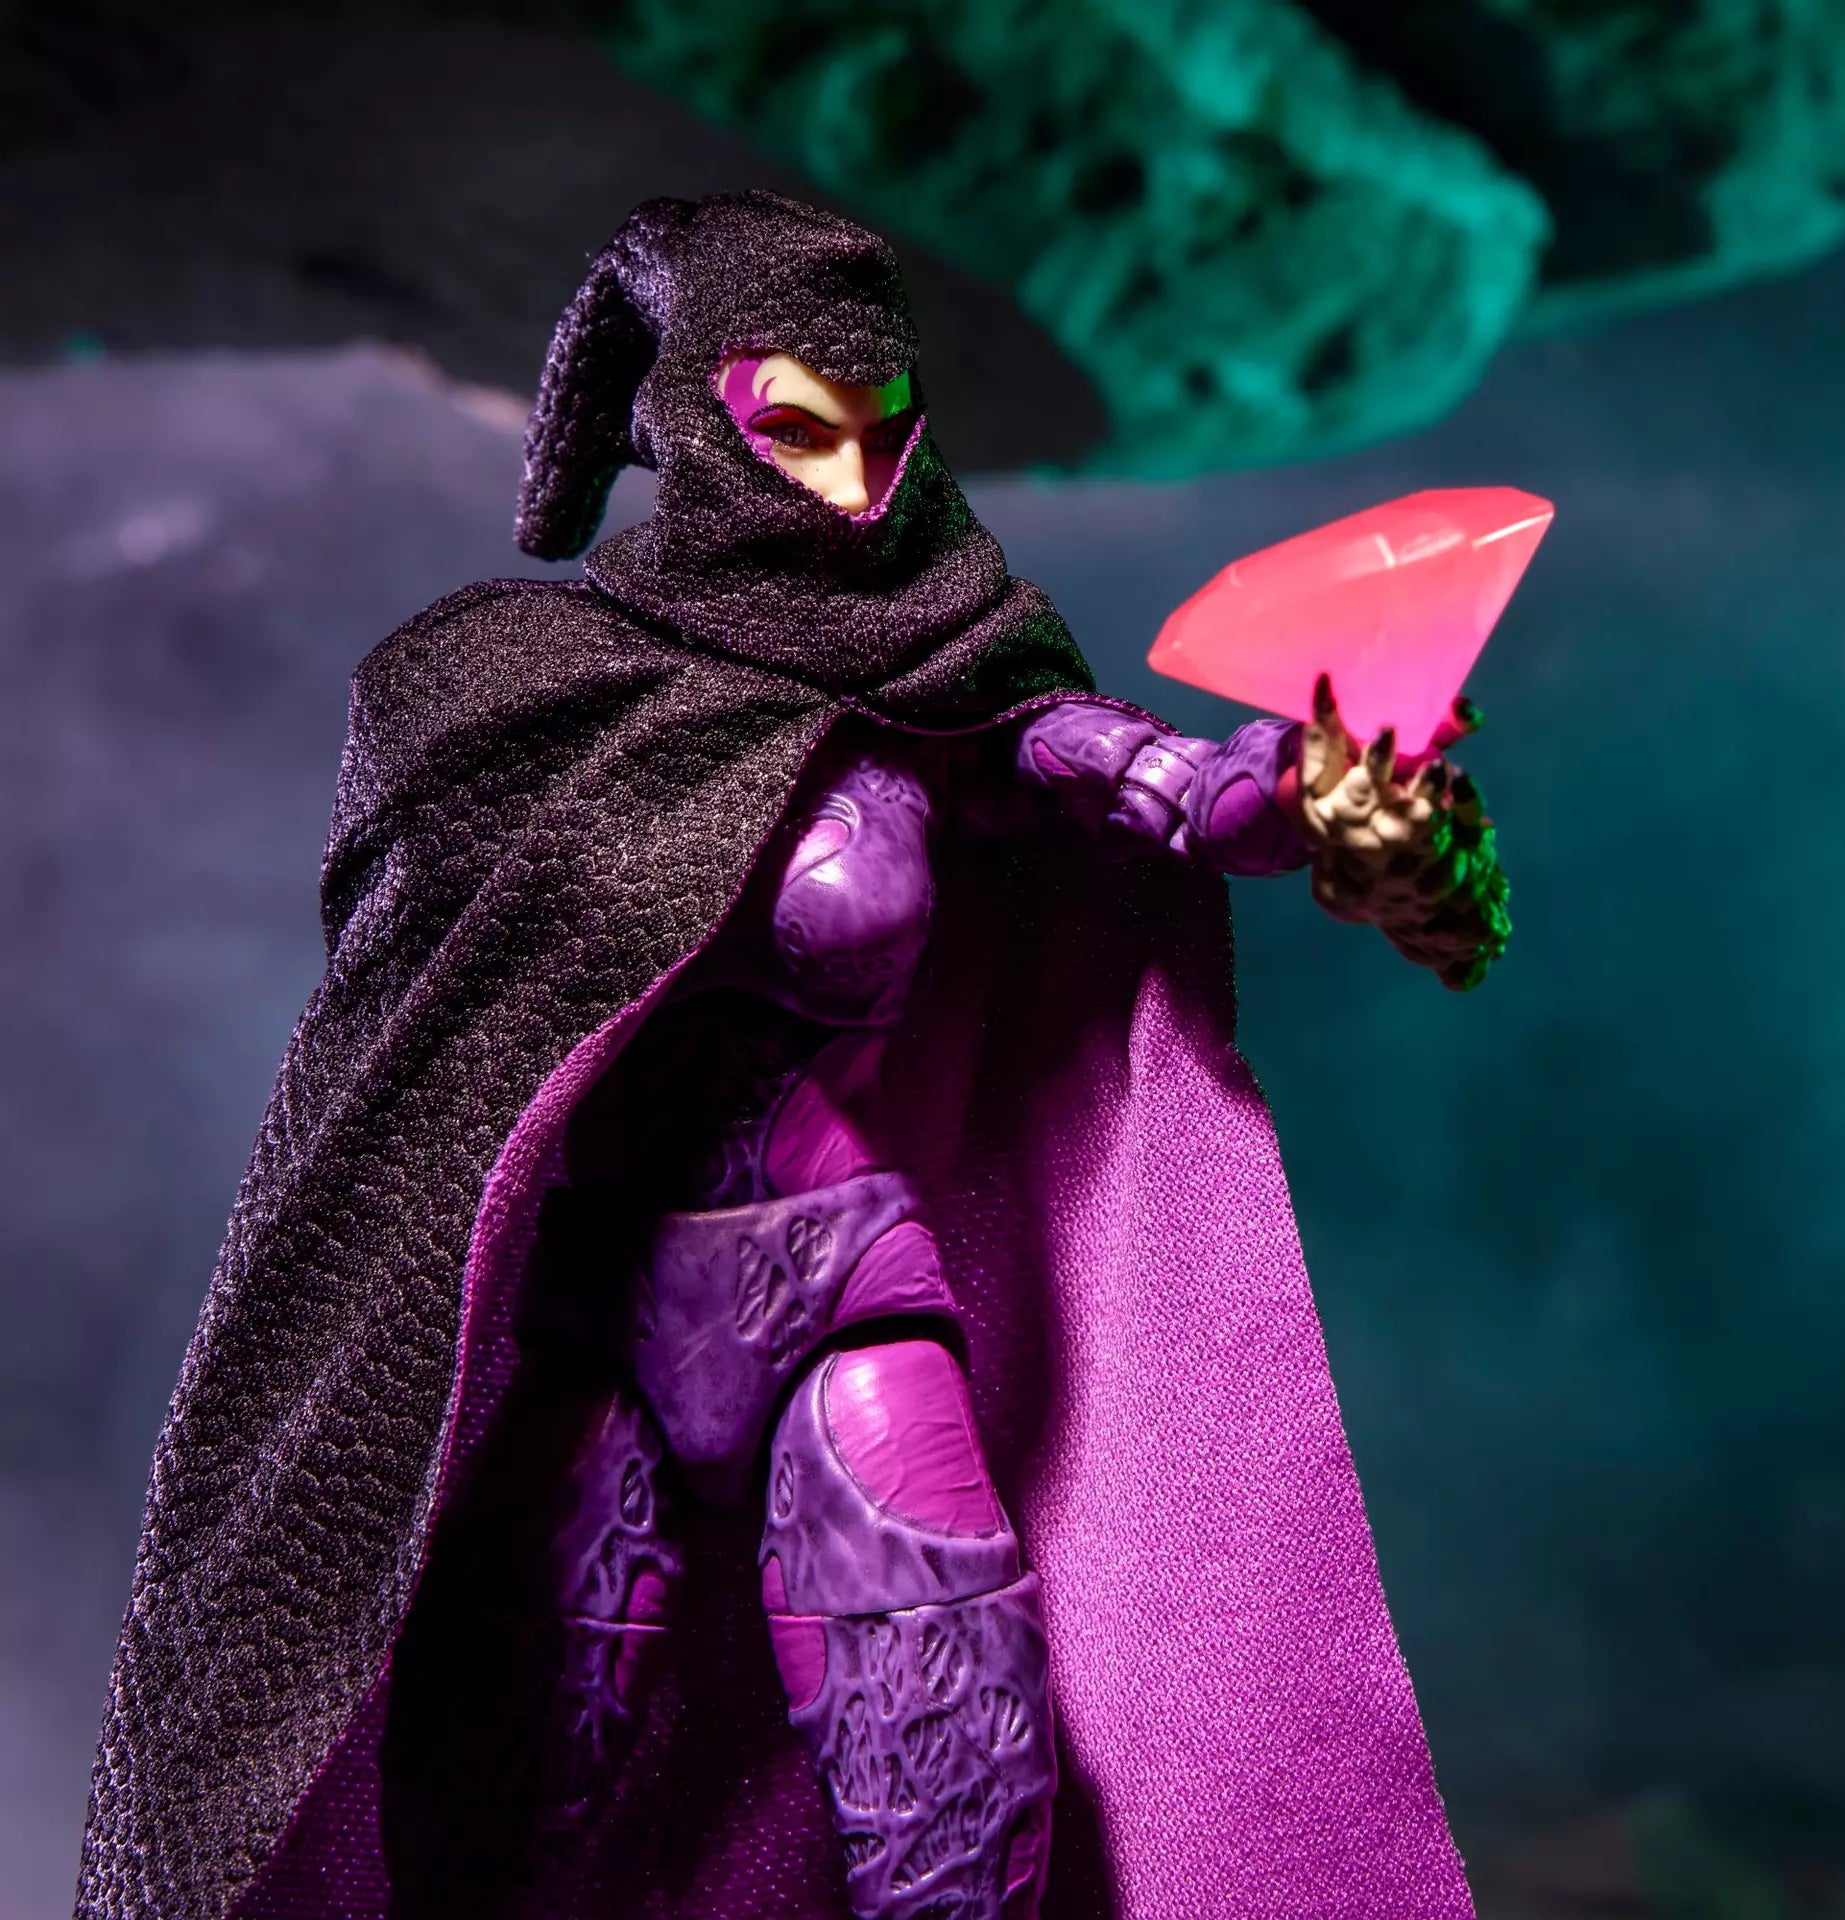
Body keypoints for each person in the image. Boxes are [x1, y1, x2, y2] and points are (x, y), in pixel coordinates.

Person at [78, 192, 1501, 1920]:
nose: (853, 485)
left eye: (886, 434)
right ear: (695, 421)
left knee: (954, 1765)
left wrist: (1327, 788)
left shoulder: (954, 691)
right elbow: (416, 1027)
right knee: (516, 1793)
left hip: (841, 1294)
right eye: (799, 432)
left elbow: (1175, 795)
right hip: (602, 1319)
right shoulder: (510, 687)